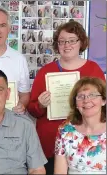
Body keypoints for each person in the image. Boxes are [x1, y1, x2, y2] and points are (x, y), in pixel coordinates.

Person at [27, 21, 105, 175]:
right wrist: (40, 105)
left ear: (81, 42)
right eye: (62, 41)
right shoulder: (45, 71)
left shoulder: (93, 69)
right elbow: (32, 109)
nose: (66, 45)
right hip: (50, 143)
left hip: (87, 143)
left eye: (71, 40)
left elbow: (103, 105)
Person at [54, 77, 106, 174]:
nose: (86, 100)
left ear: (103, 100)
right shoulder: (64, 130)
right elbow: (60, 172)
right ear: (76, 104)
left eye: (92, 95)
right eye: (81, 96)